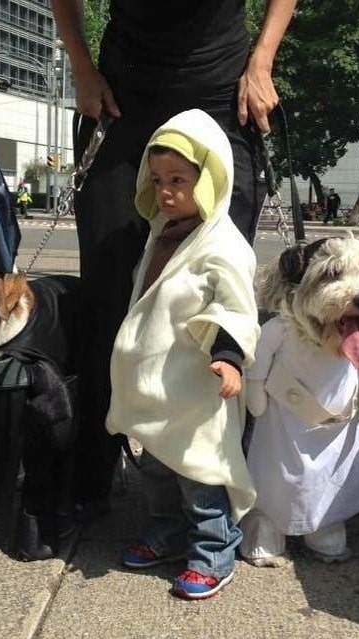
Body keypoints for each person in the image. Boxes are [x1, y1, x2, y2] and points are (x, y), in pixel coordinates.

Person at [52, 0, 298, 519]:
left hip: (223, 92)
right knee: (107, 289)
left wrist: (263, 60)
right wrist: (81, 67)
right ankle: (96, 465)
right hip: (123, 95)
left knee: (218, 294)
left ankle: (214, 488)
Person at [107, 109, 260, 599]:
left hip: (197, 386)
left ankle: (215, 549)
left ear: (211, 179)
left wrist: (229, 355)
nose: (167, 190)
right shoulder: (160, 234)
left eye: (180, 179)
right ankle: (166, 530)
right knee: (156, 470)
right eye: (158, 179)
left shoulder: (224, 246)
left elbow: (236, 306)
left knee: (199, 472)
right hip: (155, 386)